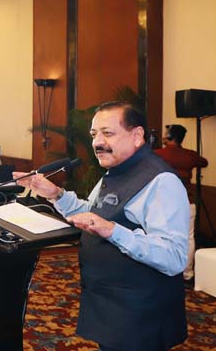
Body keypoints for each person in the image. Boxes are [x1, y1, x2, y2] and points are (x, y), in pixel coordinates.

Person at [13, 101, 188, 351]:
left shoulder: (161, 181)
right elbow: (93, 214)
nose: (97, 142)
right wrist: (55, 194)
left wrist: (113, 230)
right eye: (94, 134)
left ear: (137, 136)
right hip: (111, 304)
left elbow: (174, 257)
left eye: (108, 133)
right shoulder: (115, 171)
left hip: (141, 314)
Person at [155, 123, 209, 283]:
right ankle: (187, 273)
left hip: (164, 202)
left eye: (166, 134)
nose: (163, 136)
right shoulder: (189, 155)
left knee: (161, 235)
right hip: (187, 202)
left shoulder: (158, 154)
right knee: (189, 238)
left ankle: (164, 270)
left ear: (170, 136)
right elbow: (204, 162)